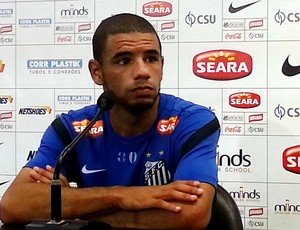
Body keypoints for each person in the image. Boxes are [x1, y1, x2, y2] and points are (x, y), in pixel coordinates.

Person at [0, 13, 220, 229]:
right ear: (97, 72)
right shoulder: (71, 129)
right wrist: (122, 196)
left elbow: (190, 215)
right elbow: (13, 205)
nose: (143, 71)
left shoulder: (193, 122)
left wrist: (74, 208)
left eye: (151, 59)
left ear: (161, 66)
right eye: (124, 60)